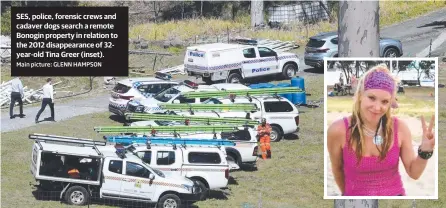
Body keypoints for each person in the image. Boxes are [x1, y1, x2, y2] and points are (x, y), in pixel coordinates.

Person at [327, 64, 435, 196]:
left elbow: (414, 173)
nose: (377, 107)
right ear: (361, 95)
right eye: (371, 98)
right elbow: (337, 169)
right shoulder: (338, 130)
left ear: (390, 103)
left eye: (384, 102)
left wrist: (425, 152)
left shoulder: (400, 128)